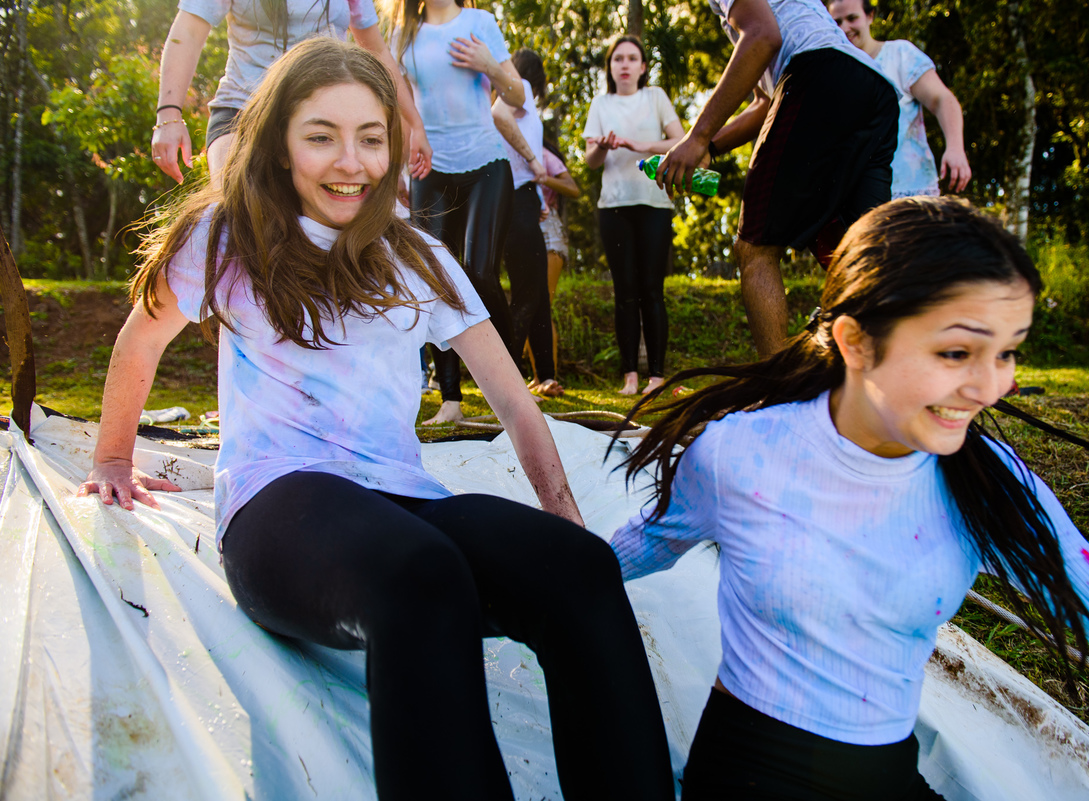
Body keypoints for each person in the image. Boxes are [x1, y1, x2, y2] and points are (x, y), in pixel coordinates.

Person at [78, 38, 674, 801]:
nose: (349, 161)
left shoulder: (415, 255)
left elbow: (511, 395)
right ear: (279, 142)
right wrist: (112, 460)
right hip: (279, 505)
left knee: (581, 571)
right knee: (421, 576)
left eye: (370, 137)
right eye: (321, 135)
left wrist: (563, 515)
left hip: (399, 495)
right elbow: (143, 335)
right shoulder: (231, 233)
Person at [609, 197, 1089, 799]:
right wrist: (522, 592)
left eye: (1006, 352)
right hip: (752, 772)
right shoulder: (740, 455)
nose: (991, 387)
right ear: (856, 342)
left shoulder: (988, 481)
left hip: (886, 775)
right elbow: (637, 548)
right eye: (956, 353)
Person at [654, 0, 899, 358]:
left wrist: (698, 136)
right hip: (873, 88)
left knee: (755, 248)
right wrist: (707, 148)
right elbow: (763, 104)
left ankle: (776, 387)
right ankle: (896, 381)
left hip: (818, 74)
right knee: (865, 253)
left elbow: (763, 36)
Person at [391, 0, 538, 425]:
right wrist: (400, 168)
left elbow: (517, 96)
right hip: (429, 170)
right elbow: (403, 111)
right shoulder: (403, 34)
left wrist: (489, 65)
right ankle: (450, 398)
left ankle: (512, 386)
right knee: (433, 279)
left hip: (486, 166)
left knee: (478, 272)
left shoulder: (480, 23)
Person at [151, 0, 430, 186]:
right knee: (234, 210)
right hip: (243, 111)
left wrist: (415, 124)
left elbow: (377, 51)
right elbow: (188, 31)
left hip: (326, 117)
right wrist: (169, 114)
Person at [583, 35, 685, 396]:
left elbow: (681, 140)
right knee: (624, 292)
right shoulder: (600, 103)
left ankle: (657, 376)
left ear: (642, 67)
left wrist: (639, 145)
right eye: (617, 59)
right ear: (610, 68)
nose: (624, 65)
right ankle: (630, 376)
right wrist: (604, 147)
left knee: (651, 290)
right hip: (614, 207)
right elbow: (590, 161)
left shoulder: (655, 97)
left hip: (654, 204)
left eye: (631, 59)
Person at [828, 0, 971, 198]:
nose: (845, 28)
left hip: (913, 197)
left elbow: (942, 99)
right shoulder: (836, 75)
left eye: (852, 18)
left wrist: (955, 148)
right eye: (837, 22)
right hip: (862, 202)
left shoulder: (899, 55)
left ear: (870, 16)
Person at [492, 48, 560, 397]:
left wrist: (535, 196)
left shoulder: (523, 96)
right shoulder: (520, 90)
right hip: (515, 200)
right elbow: (498, 114)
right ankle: (505, 380)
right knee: (527, 294)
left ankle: (545, 376)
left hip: (521, 199)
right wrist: (536, 163)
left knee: (536, 296)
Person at [532, 135, 580, 393]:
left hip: (549, 232)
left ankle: (546, 378)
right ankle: (539, 377)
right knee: (529, 306)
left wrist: (542, 177)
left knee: (543, 306)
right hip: (524, 232)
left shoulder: (542, 154)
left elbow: (573, 188)